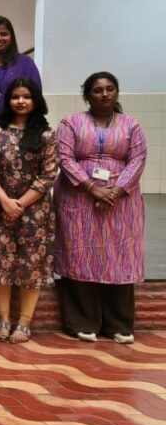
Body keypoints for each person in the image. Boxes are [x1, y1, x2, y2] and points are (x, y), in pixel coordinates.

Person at [55, 72, 145, 344]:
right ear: (87, 95)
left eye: (110, 89)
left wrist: (116, 191)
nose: (104, 94)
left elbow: (138, 159)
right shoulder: (70, 122)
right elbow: (65, 158)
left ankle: (119, 324)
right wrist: (92, 188)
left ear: (116, 92)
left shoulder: (131, 125)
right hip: (78, 198)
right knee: (80, 253)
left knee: (119, 255)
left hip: (122, 200)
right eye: (97, 90)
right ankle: (83, 322)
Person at [0, 77, 58, 345]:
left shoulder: (47, 134)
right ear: (8, 100)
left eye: (26, 96)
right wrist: (5, 201)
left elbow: (48, 176)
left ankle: (24, 322)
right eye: (15, 96)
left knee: (31, 265)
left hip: (35, 212)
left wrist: (20, 204)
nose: (21, 101)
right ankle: (3, 319)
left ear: (36, 100)